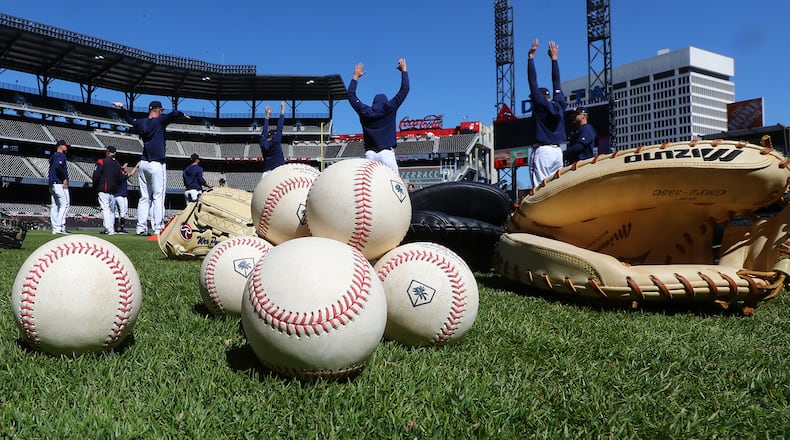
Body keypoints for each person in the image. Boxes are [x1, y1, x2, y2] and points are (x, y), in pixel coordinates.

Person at [111, 99, 189, 237]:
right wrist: (182, 114)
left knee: (144, 198)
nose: (162, 112)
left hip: (143, 163)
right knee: (158, 197)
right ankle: (158, 228)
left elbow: (129, 119)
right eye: (161, 110)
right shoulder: (159, 121)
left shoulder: (141, 122)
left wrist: (122, 107)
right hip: (156, 164)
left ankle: (141, 228)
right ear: (159, 110)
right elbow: (174, 113)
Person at [347, 58, 409, 173]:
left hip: (370, 155)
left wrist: (355, 77)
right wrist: (404, 71)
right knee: (394, 187)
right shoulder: (389, 107)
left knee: (370, 189)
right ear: (385, 102)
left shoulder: (365, 111)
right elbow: (404, 89)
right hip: (387, 154)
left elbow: (351, 95)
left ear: (373, 103)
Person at [527, 38, 567, 188]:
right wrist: (554, 59)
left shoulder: (540, 104)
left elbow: (532, 81)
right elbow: (556, 81)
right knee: (556, 188)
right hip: (558, 152)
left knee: (539, 190)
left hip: (542, 152)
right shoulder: (560, 104)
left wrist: (531, 58)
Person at [93, 146, 122, 235]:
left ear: (107, 152)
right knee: (112, 210)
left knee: (105, 209)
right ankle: (110, 228)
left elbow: (96, 175)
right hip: (113, 191)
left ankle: (109, 229)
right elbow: (120, 179)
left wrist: (95, 186)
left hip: (103, 189)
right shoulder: (118, 164)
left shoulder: (102, 161)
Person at [47, 139, 71, 234]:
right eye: (65, 146)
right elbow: (58, 166)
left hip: (51, 184)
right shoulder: (60, 155)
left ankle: (55, 229)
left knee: (55, 206)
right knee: (64, 204)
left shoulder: (53, 156)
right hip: (58, 183)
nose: (66, 147)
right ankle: (59, 227)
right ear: (60, 146)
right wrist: (64, 178)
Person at [259, 101, 286, 178]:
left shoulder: (262, 142)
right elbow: (280, 127)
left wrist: (267, 116)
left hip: (266, 173)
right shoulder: (276, 140)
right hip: (278, 172)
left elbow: (264, 131)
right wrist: (282, 110)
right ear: (274, 136)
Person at [114, 161, 139, 234]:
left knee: (116, 213)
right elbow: (131, 173)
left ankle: (116, 228)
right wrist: (136, 166)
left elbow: (119, 170)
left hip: (117, 196)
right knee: (122, 213)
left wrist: (123, 167)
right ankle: (121, 228)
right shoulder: (120, 176)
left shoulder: (116, 175)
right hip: (121, 196)